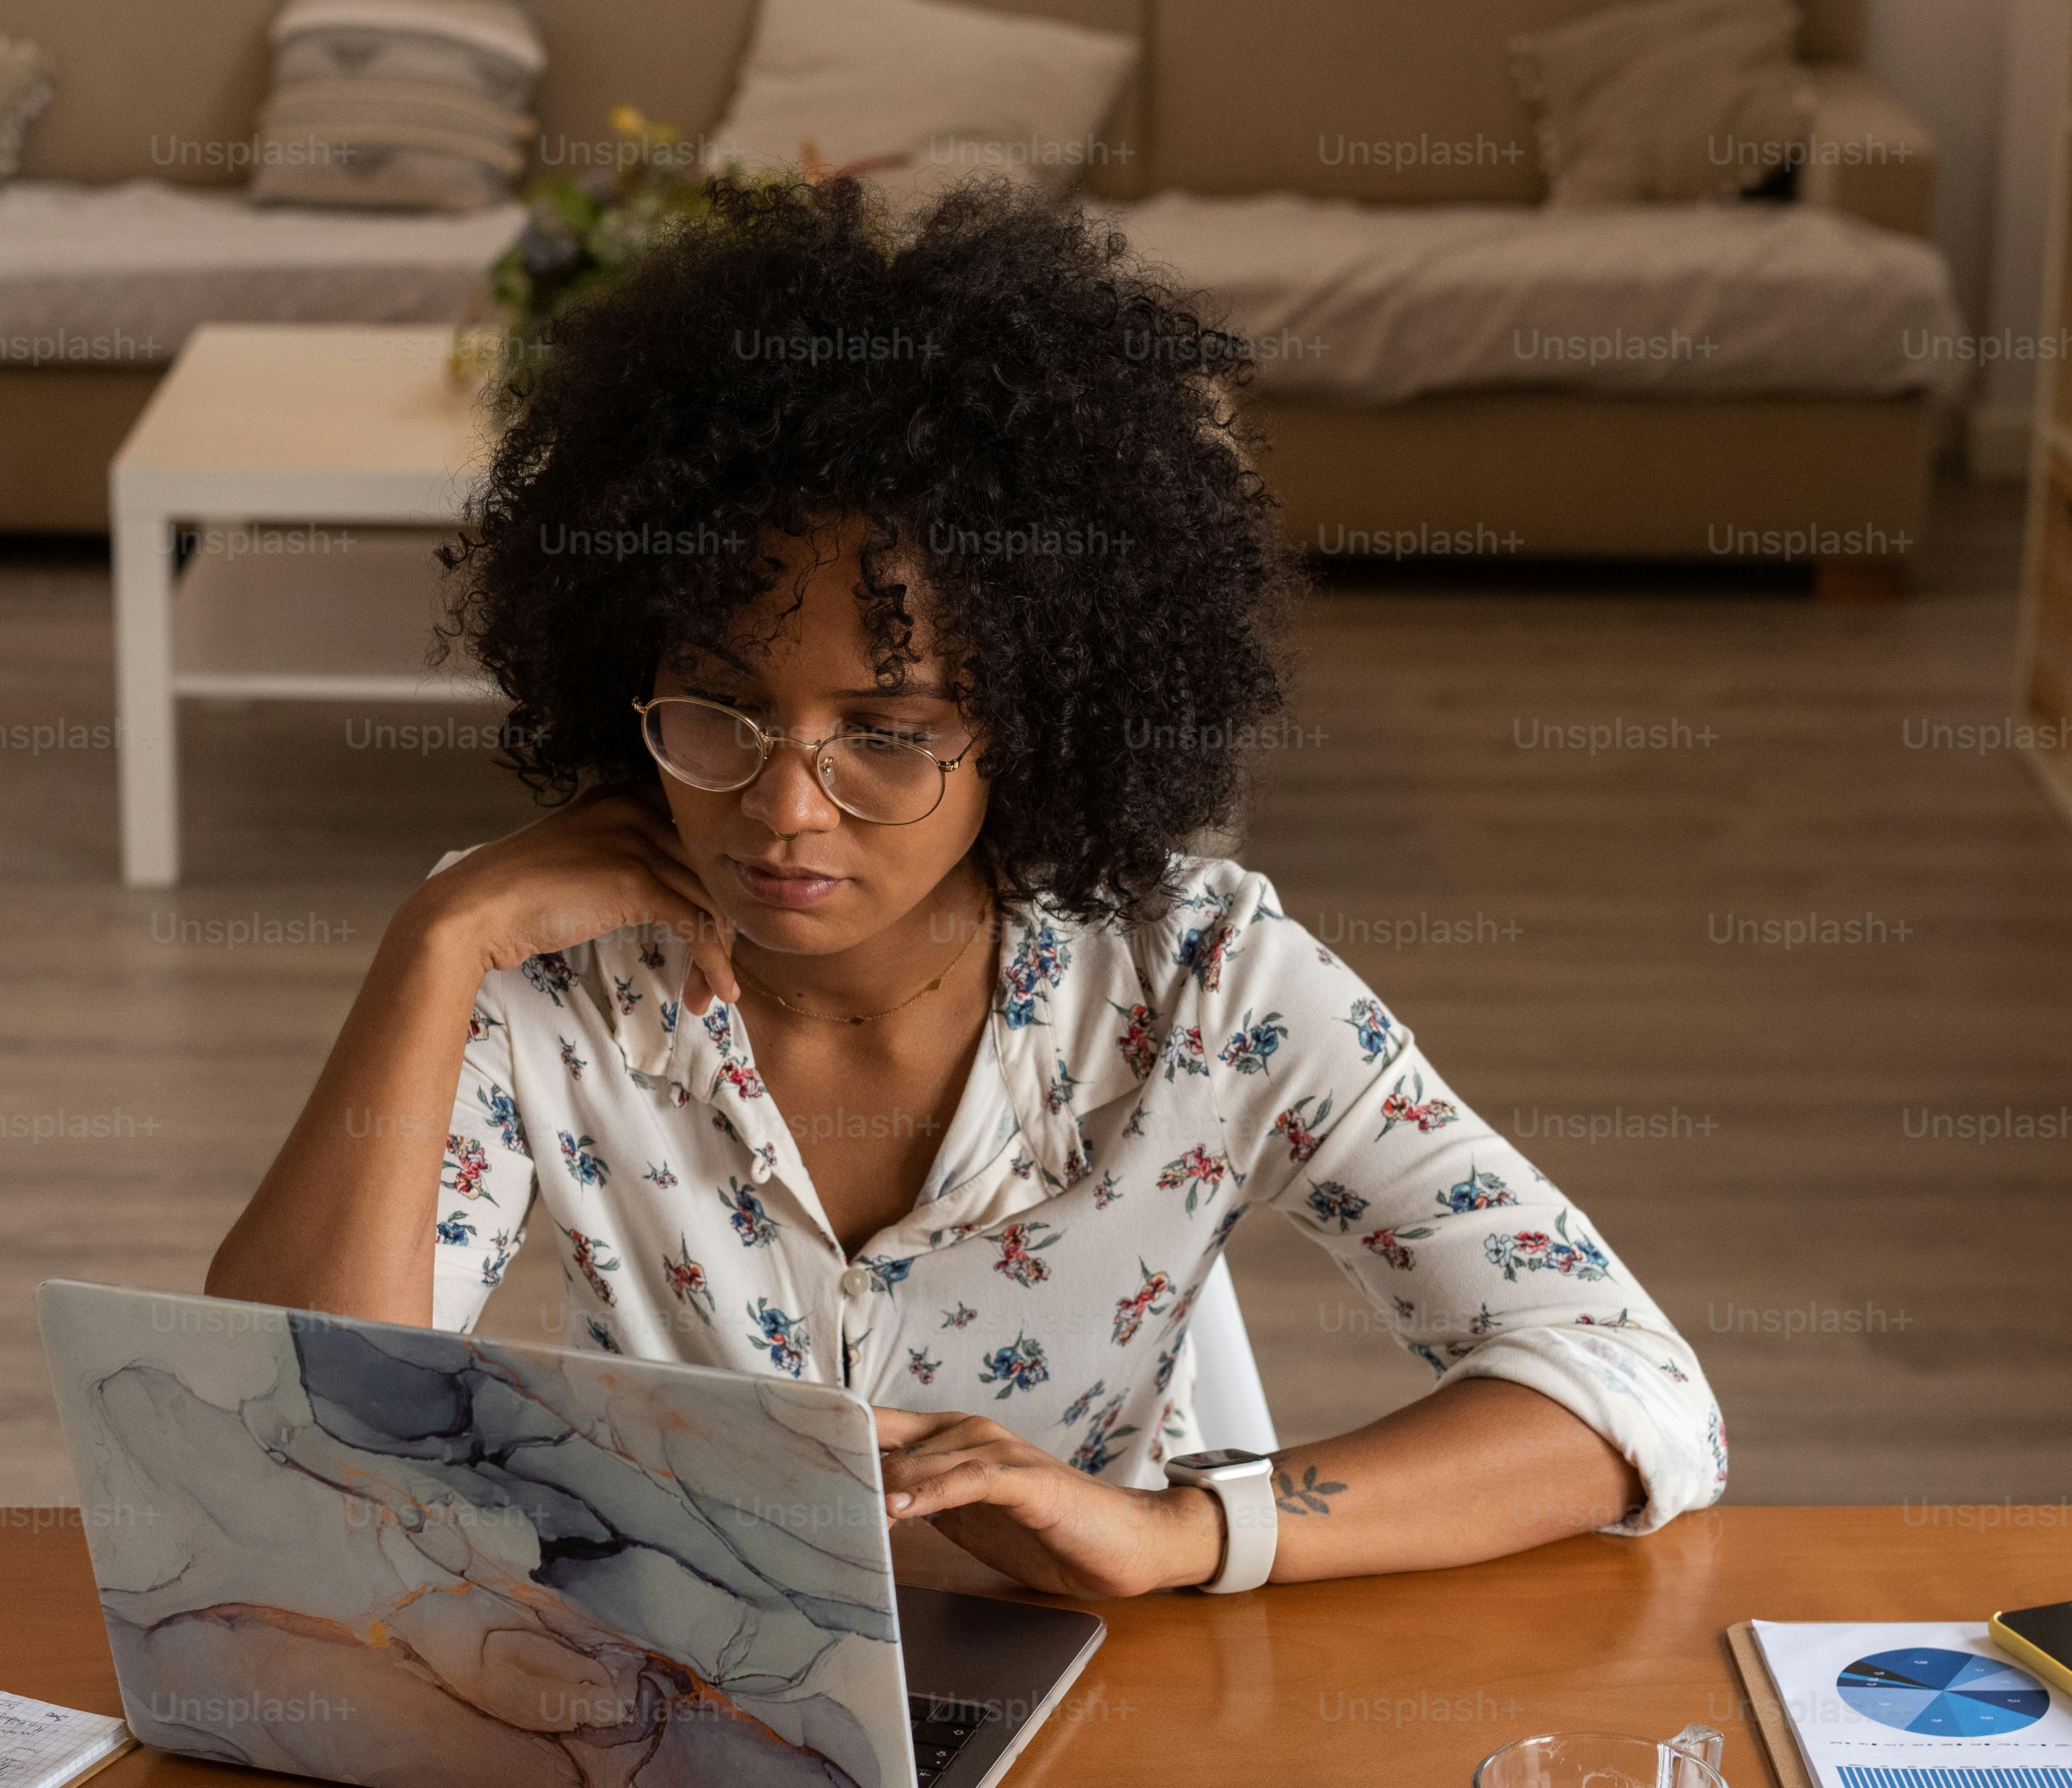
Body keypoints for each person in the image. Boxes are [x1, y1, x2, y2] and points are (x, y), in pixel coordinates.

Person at [209, 176, 1723, 1597]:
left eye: (888, 732)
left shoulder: (1205, 988)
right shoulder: (542, 971)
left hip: (1103, 1743)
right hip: (683, 1729)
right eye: (718, 712)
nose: (783, 808)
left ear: (1033, 721)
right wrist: (441, 932)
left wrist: (1187, 1531)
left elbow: (1633, 1386)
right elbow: (290, 1442)